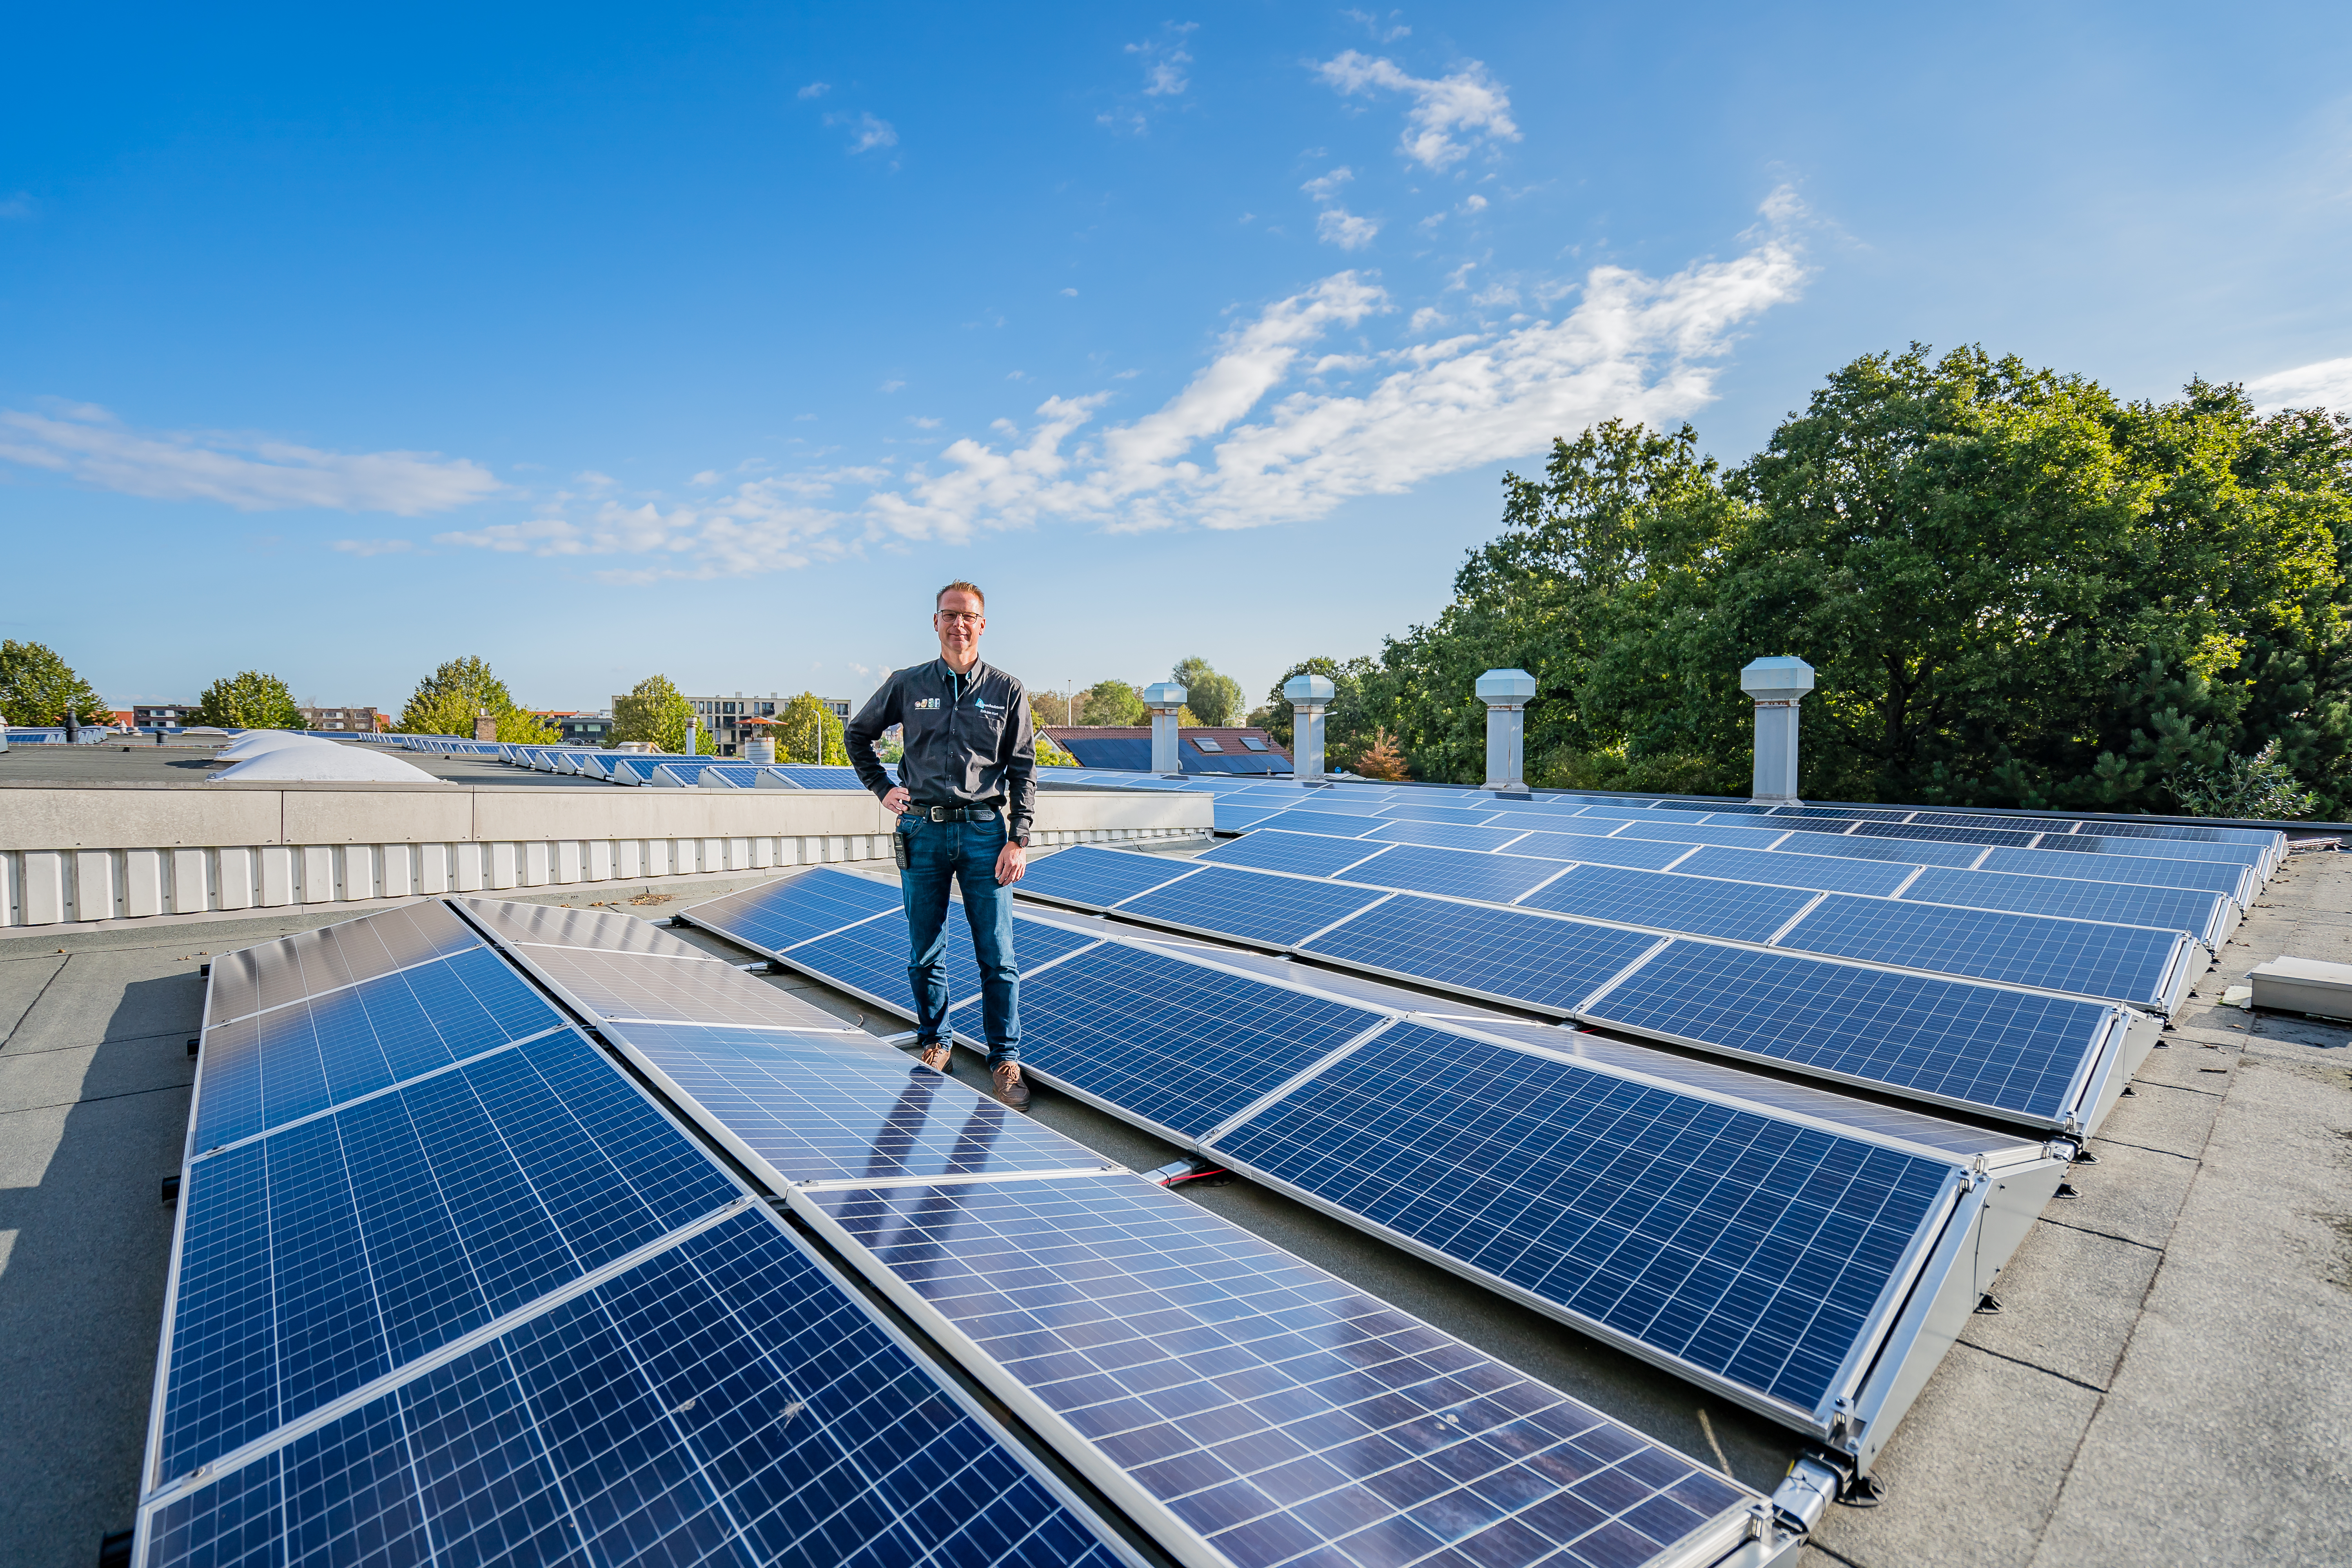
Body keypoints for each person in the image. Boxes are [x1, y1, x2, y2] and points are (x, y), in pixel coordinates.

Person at [845, 581, 1037, 1109]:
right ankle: (936, 1043)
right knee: (925, 950)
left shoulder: (1007, 690)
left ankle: (1004, 1059)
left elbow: (1023, 771)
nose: (958, 624)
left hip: (983, 833)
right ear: (935, 623)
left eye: (968, 616)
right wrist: (882, 788)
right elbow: (857, 735)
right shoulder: (908, 685)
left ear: (982, 624)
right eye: (949, 615)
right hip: (922, 831)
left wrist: (1018, 839)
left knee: (997, 955)